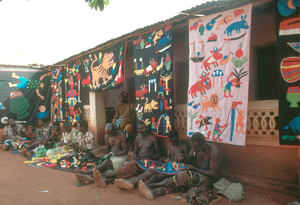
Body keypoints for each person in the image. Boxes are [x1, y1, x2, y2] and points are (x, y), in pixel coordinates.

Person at [138, 132, 222, 200]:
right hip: (196, 172)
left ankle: (152, 185)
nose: (193, 150)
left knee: (183, 176)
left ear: (203, 144)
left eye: (195, 148)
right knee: (179, 178)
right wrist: (183, 158)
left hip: (208, 178)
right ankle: (155, 192)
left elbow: (212, 173)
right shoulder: (195, 146)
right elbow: (190, 158)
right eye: (192, 147)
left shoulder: (214, 152)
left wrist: (193, 168)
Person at [75, 121, 161, 188]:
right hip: (138, 161)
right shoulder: (137, 138)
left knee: (113, 167)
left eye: (144, 128)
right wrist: (135, 155)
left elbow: (159, 153)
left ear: (147, 128)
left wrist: (150, 158)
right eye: (140, 129)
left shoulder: (153, 138)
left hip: (147, 161)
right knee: (124, 170)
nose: (143, 130)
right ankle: (101, 178)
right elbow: (135, 151)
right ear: (137, 130)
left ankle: (92, 175)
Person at [114, 129, 190, 190]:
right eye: (170, 142)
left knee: (155, 176)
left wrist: (182, 159)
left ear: (177, 137)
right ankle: (132, 183)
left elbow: (188, 160)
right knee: (151, 170)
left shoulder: (184, 146)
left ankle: (136, 184)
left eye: (173, 141)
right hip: (169, 165)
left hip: (177, 168)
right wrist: (167, 159)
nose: (172, 143)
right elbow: (168, 156)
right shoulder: (170, 145)